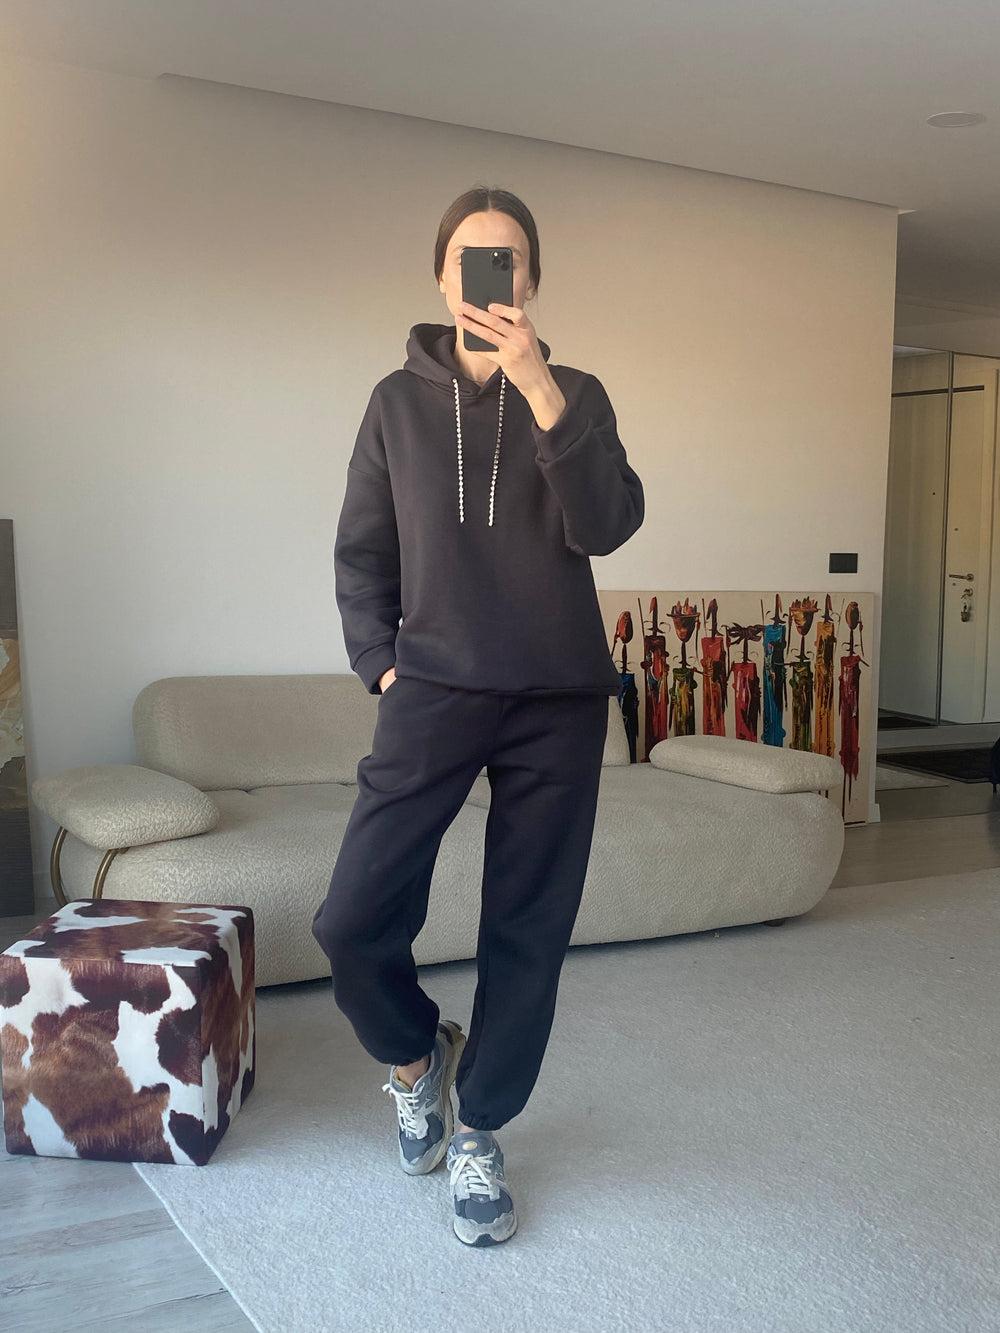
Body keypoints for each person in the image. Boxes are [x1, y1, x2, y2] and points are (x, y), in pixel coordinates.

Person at [311, 185, 644, 1247]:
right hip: (435, 690)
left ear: (531, 280)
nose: (487, 274)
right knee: (351, 917)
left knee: (527, 927)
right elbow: (362, 550)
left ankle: (482, 1127)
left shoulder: (576, 393)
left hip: (559, 697)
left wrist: (543, 389)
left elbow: (607, 524)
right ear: (440, 274)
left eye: (508, 258)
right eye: (469, 256)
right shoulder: (394, 403)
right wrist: (381, 666)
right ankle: (418, 1059)